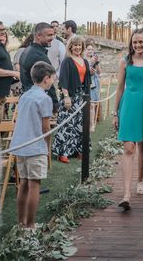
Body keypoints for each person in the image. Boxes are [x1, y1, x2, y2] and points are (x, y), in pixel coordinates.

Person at [112, 29, 143, 210]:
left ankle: (140, 180)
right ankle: (126, 194)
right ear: (131, 44)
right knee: (128, 147)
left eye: (141, 42)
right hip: (129, 104)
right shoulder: (124, 62)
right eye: (135, 42)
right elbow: (119, 89)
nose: (138, 45)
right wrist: (115, 113)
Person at [9, 61, 55, 228]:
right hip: (35, 145)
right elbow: (46, 127)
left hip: (20, 145)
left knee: (24, 183)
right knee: (34, 184)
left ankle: (21, 222)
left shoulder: (25, 96)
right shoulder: (45, 98)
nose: (53, 82)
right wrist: (47, 146)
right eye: (52, 79)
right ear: (46, 79)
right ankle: (30, 225)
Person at [52, 35, 91, 163]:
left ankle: (78, 150)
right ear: (71, 46)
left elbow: (87, 81)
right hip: (70, 96)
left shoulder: (85, 61)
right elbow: (63, 80)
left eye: (80, 45)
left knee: (80, 124)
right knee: (67, 124)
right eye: (75, 45)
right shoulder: (67, 61)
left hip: (81, 96)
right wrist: (66, 97)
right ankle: (63, 153)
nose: (78, 47)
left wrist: (88, 97)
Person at [20, 22, 59, 113]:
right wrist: (55, 104)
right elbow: (48, 81)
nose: (52, 38)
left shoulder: (27, 50)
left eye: (53, 35)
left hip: (29, 98)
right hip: (37, 101)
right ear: (38, 36)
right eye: (49, 35)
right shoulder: (38, 55)